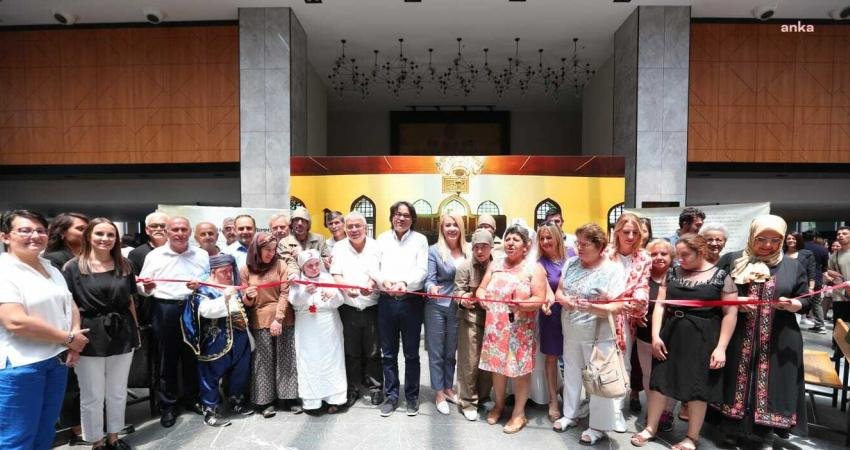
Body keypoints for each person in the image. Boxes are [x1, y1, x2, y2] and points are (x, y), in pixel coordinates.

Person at [630, 234, 738, 450]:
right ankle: (650, 428)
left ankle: (691, 437)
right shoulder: (672, 273)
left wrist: (721, 348)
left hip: (704, 338)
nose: (680, 260)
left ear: (700, 251)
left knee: (698, 387)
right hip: (671, 334)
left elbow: (730, 313)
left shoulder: (720, 276)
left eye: (685, 255)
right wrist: (655, 335)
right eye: (677, 255)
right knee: (659, 383)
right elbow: (660, 304)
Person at [715, 215, 809, 449]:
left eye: (775, 240)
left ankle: (764, 432)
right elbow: (713, 290)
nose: (768, 245)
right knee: (734, 379)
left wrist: (794, 304)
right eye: (762, 239)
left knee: (771, 385)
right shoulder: (733, 260)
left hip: (778, 337)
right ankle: (729, 429)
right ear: (751, 236)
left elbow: (804, 298)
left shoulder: (792, 266)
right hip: (737, 335)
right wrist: (736, 301)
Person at [0, 210, 88, 450]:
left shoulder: (50, 268)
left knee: (44, 433)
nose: (35, 236)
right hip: (20, 366)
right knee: (16, 438)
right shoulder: (4, 270)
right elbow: (14, 321)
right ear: (5, 237)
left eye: (40, 230)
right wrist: (68, 338)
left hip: (54, 361)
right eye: (25, 230)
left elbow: (69, 305)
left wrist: (74, 337)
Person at [63, 218, 140, 449]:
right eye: (100, 234)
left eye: (110, 235)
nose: (105, 239)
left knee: (117, 391)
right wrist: (73, 337)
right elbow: (70, 305)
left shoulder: (125, 265)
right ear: (88, 236)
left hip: (122, 331)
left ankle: (114, 436)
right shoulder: (73, 267)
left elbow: (129, 301)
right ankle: (96, 441)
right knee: (92, 394)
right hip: (89, 333)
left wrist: (136, 331)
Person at [553, 223, 626, 444]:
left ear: (600, 246)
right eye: (577, 243)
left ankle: (598, 427)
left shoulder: (613, 270)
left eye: (584, 244)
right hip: (571, 329)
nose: (579, 248)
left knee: (598, 379)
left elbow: (619, 305)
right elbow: (559, 292)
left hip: (598, 334)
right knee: (572, 373)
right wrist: (564, 300)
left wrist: (593, 307)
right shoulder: (571, 263)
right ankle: (570, 414)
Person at [137, 216, 209, 428]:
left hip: (193, 308)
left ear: (190, 231)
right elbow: (142, 286)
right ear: (167, 232)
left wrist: (201, 286)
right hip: (165, 309)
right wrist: (147, 288)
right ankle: (168, 405)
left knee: (193, 356)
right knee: (166, 358)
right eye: (175, 229)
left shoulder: (202, 254)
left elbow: (209, 282)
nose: (179, 233)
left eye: (184, 229)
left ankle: (192, 398)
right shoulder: (155, 255)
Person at [476, 225, 547, 434]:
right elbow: (481, 288)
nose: (510, 243)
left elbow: (539, 298)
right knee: (497, 369)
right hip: (495, 329)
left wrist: (523, 305)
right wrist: (481, 296)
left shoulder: (534, 269)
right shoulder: (495, 265)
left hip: (520, 330)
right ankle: (498, 405)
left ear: (526, 246)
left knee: (519, 372)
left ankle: (518, 413)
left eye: (516, 240)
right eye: (508, 239)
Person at [182, 253, 254, 427]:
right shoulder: (203, 289)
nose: (229, 275)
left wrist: (247, 297)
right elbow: (207, 311)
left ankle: (236, 401)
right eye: (224, 271)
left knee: (240, 371)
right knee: (210, 375)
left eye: (230, 271)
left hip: (240, 338)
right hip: (215, 340)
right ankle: (210, 410)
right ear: (213, 271)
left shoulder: (229, 286)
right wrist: (226, 297)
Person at [373, 201, 428, 417]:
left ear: (412, 219)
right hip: (386, 301)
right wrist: (384, 282)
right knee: (388, 354)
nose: (401, 218)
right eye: (397, 214)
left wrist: (404, 283)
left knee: (411, 353)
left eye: (406, 215)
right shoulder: (382, 239)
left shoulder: (420, 240)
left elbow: (422, 270)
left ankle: (412, 397)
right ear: (392, 216)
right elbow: (374, 268)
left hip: (410, 301)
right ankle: (392, 396)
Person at [240, 233, 300, 417]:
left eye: (273, 250)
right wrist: (248, 296)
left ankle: (289, 399)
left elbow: (285, 293)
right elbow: (245, 301)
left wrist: (279, 318)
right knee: (263, 361)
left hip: (283, 317)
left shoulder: (280, 265)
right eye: (267, 250)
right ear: (257, 250)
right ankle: (266, 402)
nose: (270, 253)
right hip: (259, 319)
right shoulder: (246, 269)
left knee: (286, 358)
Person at [42, 211, 90, 445]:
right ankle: (77, 430)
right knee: (70, 381)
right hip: (64, 330)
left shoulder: (85, 255)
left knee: (82, 380)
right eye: (80, 228)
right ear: (62, 232)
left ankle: (85, 425)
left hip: (83, 326)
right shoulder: (54, 260)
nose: (86, 232)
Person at [603, 213, 651, 431]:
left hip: (627, 316)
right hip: (603, 313)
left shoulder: (644, 258)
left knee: (623, 363)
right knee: (601, 360)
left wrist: (638, 301)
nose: (630, 236)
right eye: (626, 232)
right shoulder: (606, 254)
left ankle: (617, 411)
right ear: (617, 232)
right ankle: (600, 407)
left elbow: (643, 285)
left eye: (635, 232)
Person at [330, 212, 383, 408]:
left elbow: (380, 271)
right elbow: (335, 274)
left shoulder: (377, 247)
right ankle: (352, 388)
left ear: (365, 228)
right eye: (350, 226)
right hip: (348, 307)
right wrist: (346, 288)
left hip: (372, 306)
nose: (353, 230)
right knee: (351, 351)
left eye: (357, 226)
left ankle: (376, 387)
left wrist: (371, 282)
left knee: (374, 350)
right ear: (345, 229)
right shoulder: (339, 247)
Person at [289, 250, 347, 413]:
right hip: (307, 324)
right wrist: (304, 292)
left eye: (316, 264)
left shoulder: (327, 278)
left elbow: (339, 301)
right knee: (309, 359)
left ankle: (335, 399)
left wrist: (332, 295)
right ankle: (312, 401)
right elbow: (293, 300)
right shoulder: (298, 280)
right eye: (310, 265)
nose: (314, 268)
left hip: (328, 323)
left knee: (332, 359)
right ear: (303, 267)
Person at [424, 213, 467, 415]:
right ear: (442, 228)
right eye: (447, 225)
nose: (451, 228)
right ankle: (439, 392)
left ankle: (449, 388)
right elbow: (429, 279)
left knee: (451, 352)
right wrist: (431, 287)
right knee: (436, 352)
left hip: (459, 308)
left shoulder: (468, 251)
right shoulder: (434, 250)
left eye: (455, 225)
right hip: (437, 306)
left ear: (461, 228)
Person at [633, 239, 678, 433]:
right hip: (644, 337)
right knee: (649, 375)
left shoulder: (679, 277)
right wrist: (634, 317)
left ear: (672, 257)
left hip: (674, 336)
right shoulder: (641, 278)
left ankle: (667, 412)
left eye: (663, 254)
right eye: (653, 254)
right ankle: (653, 410)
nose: (658, 257)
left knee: (672, 376)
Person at [454, 229, 495, 421]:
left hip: (494, 320)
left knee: (487, 361)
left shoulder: (498, 266)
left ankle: (484, 396)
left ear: (491, 247)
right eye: (476, 247)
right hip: (469, 318)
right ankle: (468, 401)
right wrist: (464, 299)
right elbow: (457, 292)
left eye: (484, 247)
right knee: (469, 361)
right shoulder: (464, 267)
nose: (480, 251)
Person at [535, 222, 569, 422]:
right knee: (552, 357)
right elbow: (546, 287)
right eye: (542, 238)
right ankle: (553, 400)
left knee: (573, 359)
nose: (546, 241)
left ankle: (571, 395)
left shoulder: (572, 256)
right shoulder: (540, 263)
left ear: (557, 237)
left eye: (549, 237)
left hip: (574, 313)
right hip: (552, 314)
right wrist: (547, 300)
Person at [785, 232, 818, 329]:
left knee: (796, 312)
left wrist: (811, 288)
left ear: (798, 240)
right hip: (784, 287)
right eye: (789, 238)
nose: (791, 240)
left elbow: (811, 272)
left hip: (798, 288)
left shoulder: (807, 254)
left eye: (794, 239)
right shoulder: (781, 253)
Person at [803, 230, 828, 332]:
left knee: (796, 298)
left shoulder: (800, 247)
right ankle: (820, 325)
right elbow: (824, 267)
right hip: (817, 278)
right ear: (814, 238)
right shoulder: (823, 249)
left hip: (802, 277)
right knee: (816, 302)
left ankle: (795, 321)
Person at [826, 226, 850, 304]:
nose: (841, 235)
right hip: (840, 296)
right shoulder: (834, 256)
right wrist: (831, 275)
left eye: (844, 233)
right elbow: (829, 271)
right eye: (838, 234)